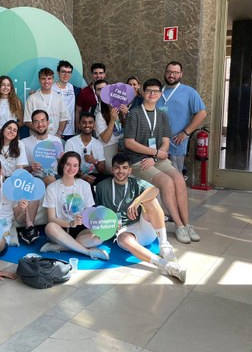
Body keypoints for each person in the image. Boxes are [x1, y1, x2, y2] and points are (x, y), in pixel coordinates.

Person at [124, 78, 198, 244]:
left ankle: (187, 224)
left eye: (156, 91)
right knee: (166, 182)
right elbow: (129, 142)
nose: (152, 94)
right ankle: (178, 226)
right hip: (138, 162)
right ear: (142, 92)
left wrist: (156, 156)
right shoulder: (134, 114)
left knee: (178, 178)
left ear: (160, 94)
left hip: (156, 158)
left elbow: (165, 141)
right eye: (149, 91)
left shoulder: (162, 115)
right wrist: (154, 153)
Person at [95, 153, 186, 281]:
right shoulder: (101, 186)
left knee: (150, 200)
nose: (121, 171)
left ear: (130, 170)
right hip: (125, 232)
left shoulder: (135, 182)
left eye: (124, 167)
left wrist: (138, 201)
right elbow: (98, 211)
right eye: (117, 167)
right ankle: (165, 265)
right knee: (123, 239)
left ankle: (164, 245)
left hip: (144, 226)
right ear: (112, 169)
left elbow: (155, 190)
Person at [39, 152, 109, 260]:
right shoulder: (52, 188)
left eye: (75, 165)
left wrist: (104, 224)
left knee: (99, 237)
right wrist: (71, 223)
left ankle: (60, 247)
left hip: (81, 229)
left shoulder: (84, 185)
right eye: (68, 164)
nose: (71, 168)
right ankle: (87, 252)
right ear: (62, 165)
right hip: (60, 229)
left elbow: (90, 212)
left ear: (79, 167)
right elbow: (51, 218)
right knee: (50, 227)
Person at [19, 110, 64, 244]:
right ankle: (30, 227)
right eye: (36, 122)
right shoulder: (25, 142)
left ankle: (59, 226)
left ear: (48, 122)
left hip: (53, 177)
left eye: (43, 121)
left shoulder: (57, 141)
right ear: (32, 124)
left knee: (50, 179)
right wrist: (31, 168)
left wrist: (59, 163)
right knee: (34, 185)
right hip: (34, 177)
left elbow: (63, 167)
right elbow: (21, 169)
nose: (40, 124)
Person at [157, 61, 207, 175]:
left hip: (176, 142)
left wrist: (186, 133)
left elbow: (202, 113)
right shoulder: (158, 92)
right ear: (165, 73)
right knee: (157, 176)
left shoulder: (189, 92)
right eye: (169, 72)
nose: (171, 75)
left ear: (181, 74)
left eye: (175, 72)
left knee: (175, 175)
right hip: (156, 143)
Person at [23, 67, 70, 137]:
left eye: (49, 78)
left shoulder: (59, 98)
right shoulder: (31, 98)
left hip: (54, 139)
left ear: (53, 80)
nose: (46, 81)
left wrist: (59, 133)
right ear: (39, 80)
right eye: (43, 79)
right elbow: (27, 121)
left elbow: (64, 118)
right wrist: (41, 132)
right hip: (36, 139)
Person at [64, 112, 107, 188]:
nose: (87, 125)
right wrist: (83, 177)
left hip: (93, 176)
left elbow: (102, 170)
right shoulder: (70, 142)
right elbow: (67, 166)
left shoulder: (98, 144)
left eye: (90, 123)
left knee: (106, 181)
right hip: (75, 175)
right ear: (79, 125)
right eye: (84, 122)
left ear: (94, 126)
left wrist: (94, 161)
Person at [93, 79, 125, 171]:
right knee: (118, 171)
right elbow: (105, 139)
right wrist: (112, 120)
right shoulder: (100, 116)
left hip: (122, 148)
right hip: (108, 148)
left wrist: (127, 114)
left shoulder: (121, 111)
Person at [52, 60, 80, 140]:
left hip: (70, 131)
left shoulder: (74, 89)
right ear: (58, 73)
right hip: (54, 131)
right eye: (63, 72)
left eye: (69, 72)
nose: (66, 75)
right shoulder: (51, 88)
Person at [0, 75, 23, 140]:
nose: (6, 87)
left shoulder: (17, 102)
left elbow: (21, 121)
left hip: (12, 134)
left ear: (11, 88)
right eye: (3, 85)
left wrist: (11, 129)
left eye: (8, 85)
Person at [75, 62, 106, 127]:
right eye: (95, 73)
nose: (98, 76)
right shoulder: (84, 92)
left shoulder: (111, 91)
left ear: (104, 74)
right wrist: (78, 127)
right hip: (89, 128)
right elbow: (78, 111)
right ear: (92, 74)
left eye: (101, 73)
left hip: (107, 127)